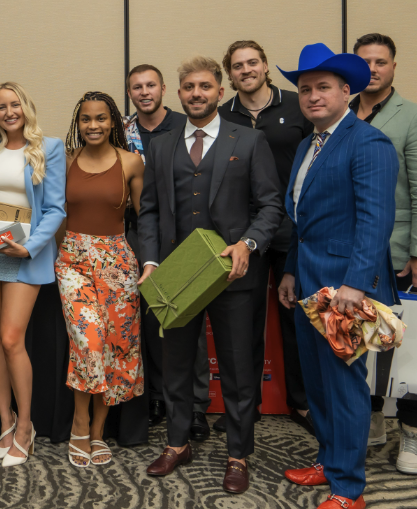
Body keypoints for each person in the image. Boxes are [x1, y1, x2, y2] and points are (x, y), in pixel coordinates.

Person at [139, 57, 282, 494]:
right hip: (179, 277)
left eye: (204, 86)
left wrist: (248, 244)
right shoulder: (161, 146)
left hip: (234, 276)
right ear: (177, 94)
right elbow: (149, 210)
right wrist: (149, 261)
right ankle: (177, 442)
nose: (196, 93)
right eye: (188, 87)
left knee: (239, 369)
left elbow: (271, 206)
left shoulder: (251, 141)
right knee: (177, 366)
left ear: (220, 92)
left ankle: (238, 453)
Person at [276, 43, 398, 509]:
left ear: (346, 91)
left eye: (323, 87)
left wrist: (355, 284)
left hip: (345, 288)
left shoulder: (368, 142)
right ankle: (329, 461)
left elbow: (375, 220)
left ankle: (349, 488)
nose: (312, 97)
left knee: (345, 385)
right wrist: (289, 272)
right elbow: (302, 221)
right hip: (309, 283)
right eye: (305, 89)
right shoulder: (310, 144)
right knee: (317, 381)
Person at [349, 33, 417, 474]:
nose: (372, 68)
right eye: (363, 61)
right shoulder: (340, 111)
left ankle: (413, 429)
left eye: (380, 61)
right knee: (360, 343)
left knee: (404, 348)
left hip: (400, 253)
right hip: (351, 252)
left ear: (393, 67)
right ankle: (371, 419)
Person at [218, 40, 315, 437]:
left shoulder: (297, 106)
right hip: (248, 234)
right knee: (247, 323)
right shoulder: (223, 116)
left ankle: (302, 402)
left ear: (265, 65)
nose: (246, 70)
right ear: (230, 74)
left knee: (297, 320)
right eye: (238, 66)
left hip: (294, 229)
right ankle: (248, 406)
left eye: (252, 62)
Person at [0, 82, 65, 467]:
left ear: (26, 107)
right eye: (1, 106)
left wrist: (30, 246)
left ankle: (26, 426)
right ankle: (5, 421)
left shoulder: (48, 148)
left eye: (15, 104)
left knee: (11, 339)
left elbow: (56, 208)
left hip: (24, 254)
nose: (9, 112)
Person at [59, 90, 143, 468]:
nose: (93, 125)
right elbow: (54, 213)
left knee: (113, 349)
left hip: (117, 263)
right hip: (73, 261)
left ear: (114, 123)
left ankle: (98, 432)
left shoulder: (131, 162)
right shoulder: (66, 160)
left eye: (101, 118)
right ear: (78, 123)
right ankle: (80, 425)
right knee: (88, 343)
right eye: (86, 119)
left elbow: (144, 216)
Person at [122, 64, 206, 437]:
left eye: (150, 85)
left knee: (188, 318)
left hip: (186, 234)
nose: (144, 92)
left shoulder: (184, 125)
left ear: (164, 89)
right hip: (139, 232)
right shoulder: (121, 132)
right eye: (137, 87)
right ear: (130, 93)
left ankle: (197, 405)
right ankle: (157, 396)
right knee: (151, 318)